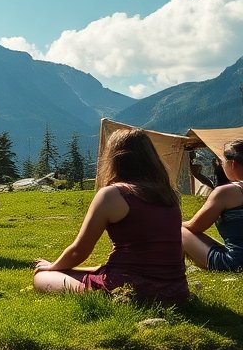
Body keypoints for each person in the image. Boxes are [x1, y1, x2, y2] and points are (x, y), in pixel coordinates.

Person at [33, 129, 188, 305]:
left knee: (42, 277)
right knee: (89, 270)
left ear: (115, 158)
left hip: (130, 289)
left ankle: (102, 293)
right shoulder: (169, 194)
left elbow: (79, 250)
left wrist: (52, 267)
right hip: (176, 290)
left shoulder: (114, 194)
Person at [182, 138, 243, 272]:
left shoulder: (227, 192)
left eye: (222, 162)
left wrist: (174, 222)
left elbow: (195, 226)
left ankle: (171, 270)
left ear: (232, 163)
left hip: (236, 263)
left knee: (178, 231)